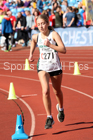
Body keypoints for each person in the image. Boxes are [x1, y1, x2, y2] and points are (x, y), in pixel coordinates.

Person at [29, 14, 66, 129]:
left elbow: (63, 49)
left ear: (48, 23)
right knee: (45, 91)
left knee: (57, 92)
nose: (41, 26)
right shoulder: (36, 36)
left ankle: (60, 109)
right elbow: (33, 41)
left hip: (55, 67)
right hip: (43, 66)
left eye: (43, 23)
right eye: (39, 24)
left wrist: (50, 45)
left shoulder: (53, 34)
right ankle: (49, 117)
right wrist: (30, 54)